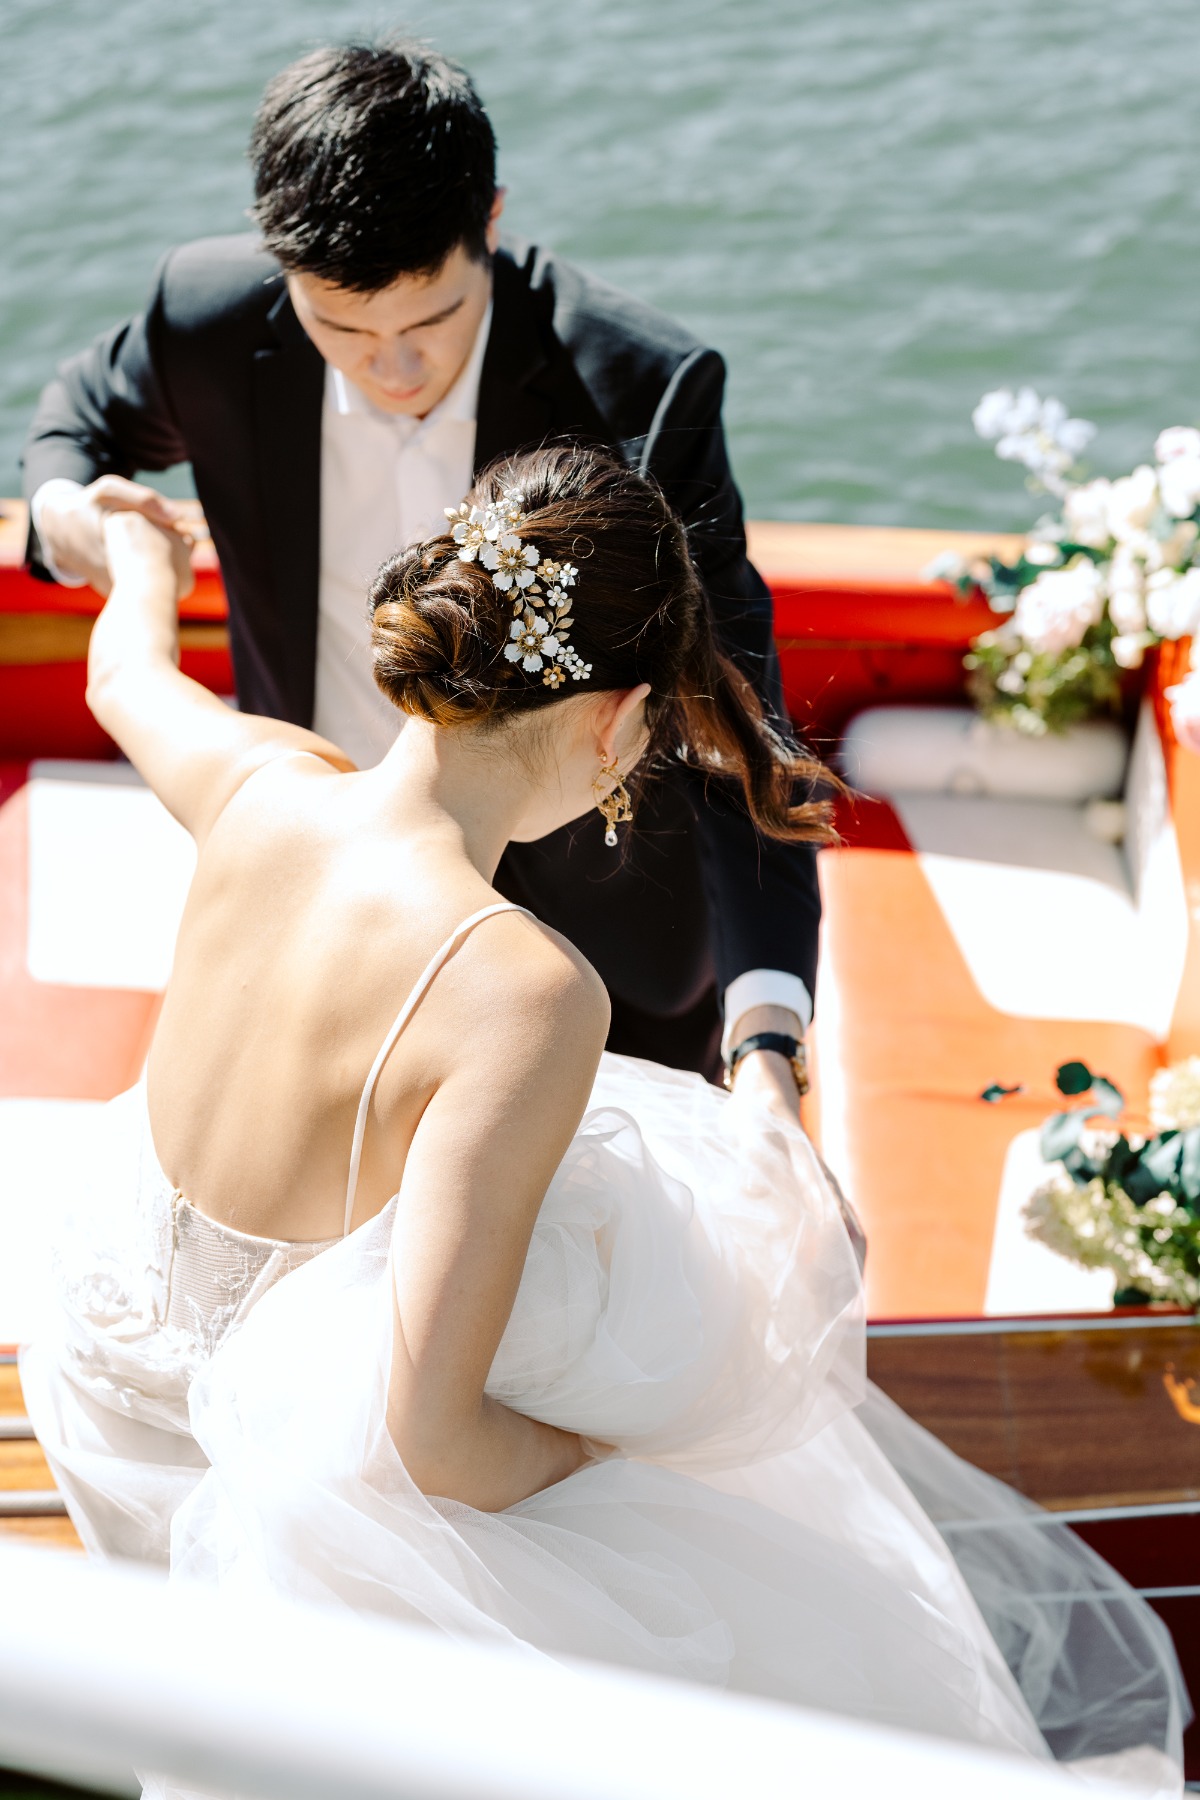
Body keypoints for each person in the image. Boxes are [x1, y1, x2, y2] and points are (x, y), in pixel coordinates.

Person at [21, 448, 1184, 1800]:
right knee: (721, 1525)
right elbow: (426, 1447)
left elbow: (122, 680)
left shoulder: (266, 781)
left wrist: (147, 561)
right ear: (614, 716)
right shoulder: (519, 989)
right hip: (257, 1489)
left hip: (96, 1380)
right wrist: (620, 1459)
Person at [22, 36, 817, 1097]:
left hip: (606, 932)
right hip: (323, 889)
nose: (393, 367)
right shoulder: (205, 319)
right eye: (342, 326)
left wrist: (767, 1034)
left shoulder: (641, 384)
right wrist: (69, 511)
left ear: (489, 221)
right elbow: (82, 416)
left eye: (432, 320)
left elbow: (730, 703)